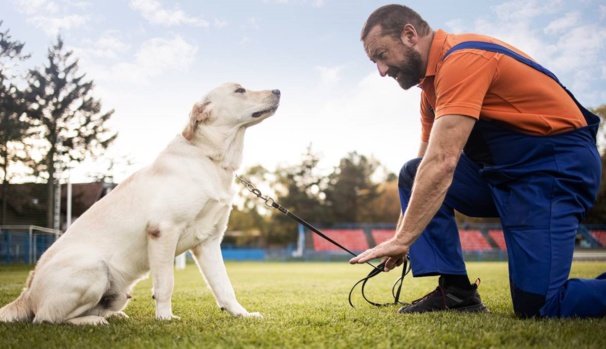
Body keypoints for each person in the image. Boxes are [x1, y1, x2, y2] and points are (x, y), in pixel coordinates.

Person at [349, 4, 606, 318]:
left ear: (409, 35)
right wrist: (401, 236)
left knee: (542, 308)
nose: (381, 70)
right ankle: (456, 292)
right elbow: (425, 167)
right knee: (413, 172)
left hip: (552, 170)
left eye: (381, 54)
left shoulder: (463, 59)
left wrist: (405, 239)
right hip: (504, 175)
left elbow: (444, 162)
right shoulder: (430, 91)